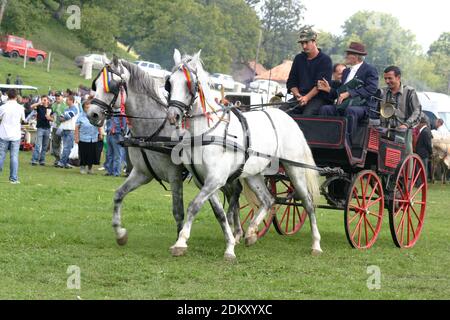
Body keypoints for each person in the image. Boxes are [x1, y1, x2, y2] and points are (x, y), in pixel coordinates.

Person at [318, 42, 379, 143]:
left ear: (356, 56)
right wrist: (329, 90)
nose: (346, 56)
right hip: (344, 104)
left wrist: (350, 93)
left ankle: (347, 143)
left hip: (363, 106)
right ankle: (325, 140)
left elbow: (372, 89)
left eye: (348, 54)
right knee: (325, 109)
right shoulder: (346, 71)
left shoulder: (370, 70)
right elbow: (341, 93)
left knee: (351, 111)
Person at [284, 26, 332, 116]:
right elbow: (291, 81)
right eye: (302, 43)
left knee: (307, 116)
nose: (304, 46)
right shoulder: (298, 58)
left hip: (317, 99)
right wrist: (297, 95)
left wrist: (306, 98)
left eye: (306, 42)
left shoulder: (325, 60)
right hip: (299, 97)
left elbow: (320, 85)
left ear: (314, 41)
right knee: (281, 112)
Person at [380, 66, 421, 155]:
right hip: (384, 134)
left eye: (390, 78)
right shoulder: (382, 92)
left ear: (398, 77)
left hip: (403, 135)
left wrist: (406, 125)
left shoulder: (410, 92)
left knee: (404, 159)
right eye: (385, 78)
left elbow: (417, 111)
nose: (387, 81)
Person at [0, 89, 26, 184]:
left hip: (3, 134)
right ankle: (13, 178)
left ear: (7, 95)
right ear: (16, 96)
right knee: (14, 157)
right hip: (15, 135)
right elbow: (23, 120)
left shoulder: (3, 107)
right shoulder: (20, 107)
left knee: (1, 155)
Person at [75, 99, 102, 174]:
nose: (88, 109)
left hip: (93, 138)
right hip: (83, 138)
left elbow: (99, 125)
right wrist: (76, 138)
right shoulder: (80, 116)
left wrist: (100, 134)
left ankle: (90, 168)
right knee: (83, 153)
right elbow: (77, 127)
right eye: (86, 107)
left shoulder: (94, 115)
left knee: (92, 154)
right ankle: (82, 167)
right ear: (83, 107)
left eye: (89, 107)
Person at [56, 96, 79, 169]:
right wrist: (63, 118)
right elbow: (60, 118)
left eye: (67, 100)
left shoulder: (75, 108)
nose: (66, 101)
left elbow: (68, 117)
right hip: (64, 129)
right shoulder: (66, 109)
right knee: (66, 147)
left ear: (72, 100)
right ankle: (64, 162)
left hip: (70, 130)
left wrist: (63, 118)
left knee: (67, 147)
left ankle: (63, 162)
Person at [30, 95, 53, 166]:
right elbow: (32, 106)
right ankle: (34, 160)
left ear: (48, 101)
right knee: (38, 145)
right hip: (40, 128)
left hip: (47, 128)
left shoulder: (50, 108)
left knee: (45, 146)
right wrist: (39, 102)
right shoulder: (39, 107)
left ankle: (42, 160)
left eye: (46, 100)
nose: (45, 101)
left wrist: (49, 118)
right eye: (43, 100)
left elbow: (53, 119)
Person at [51, 92, 67, 166]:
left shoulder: (66, 105)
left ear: (62, 97)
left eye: (59, 96)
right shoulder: (53, 105)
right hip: (55, 126)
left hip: (63, 127)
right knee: (55, 144)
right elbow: (51, 115)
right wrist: (50, 118)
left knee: (63, 144)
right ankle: (57, 159)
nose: (57, 98)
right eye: (56, 96)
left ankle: (63, 160)